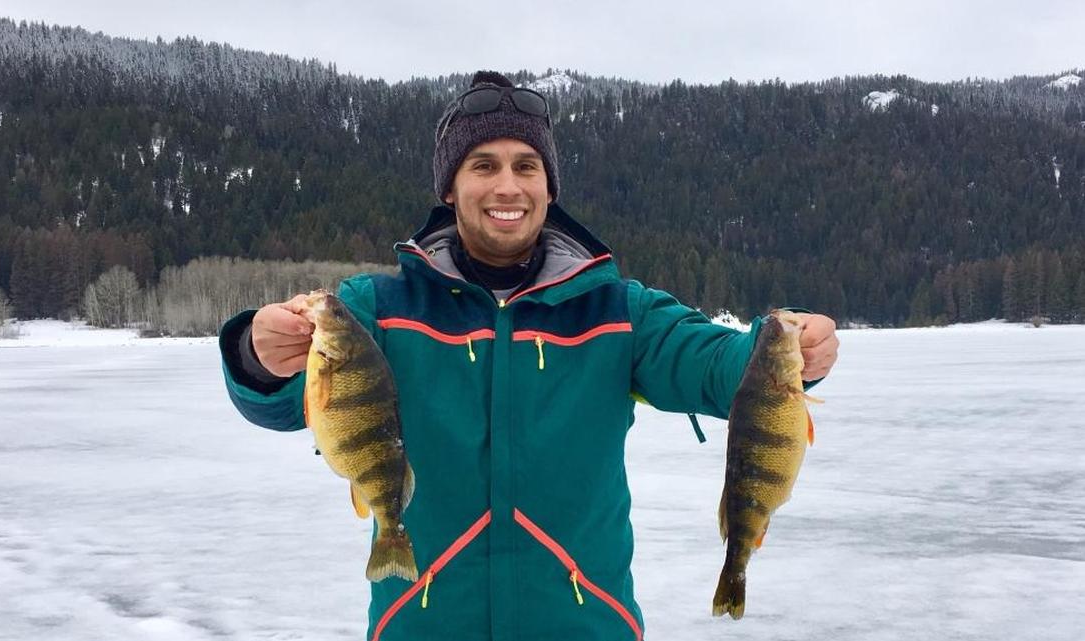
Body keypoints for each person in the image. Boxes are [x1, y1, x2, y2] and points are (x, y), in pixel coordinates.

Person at [219, 70, 839, 641]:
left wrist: (786, 342)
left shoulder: (620, 312)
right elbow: (285, 403)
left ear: (548, 186)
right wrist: (259, 353)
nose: (507, 186)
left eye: (526, 166)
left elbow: (718, 366)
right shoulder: (376, 308)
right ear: (450, 187)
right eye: (483, 165)